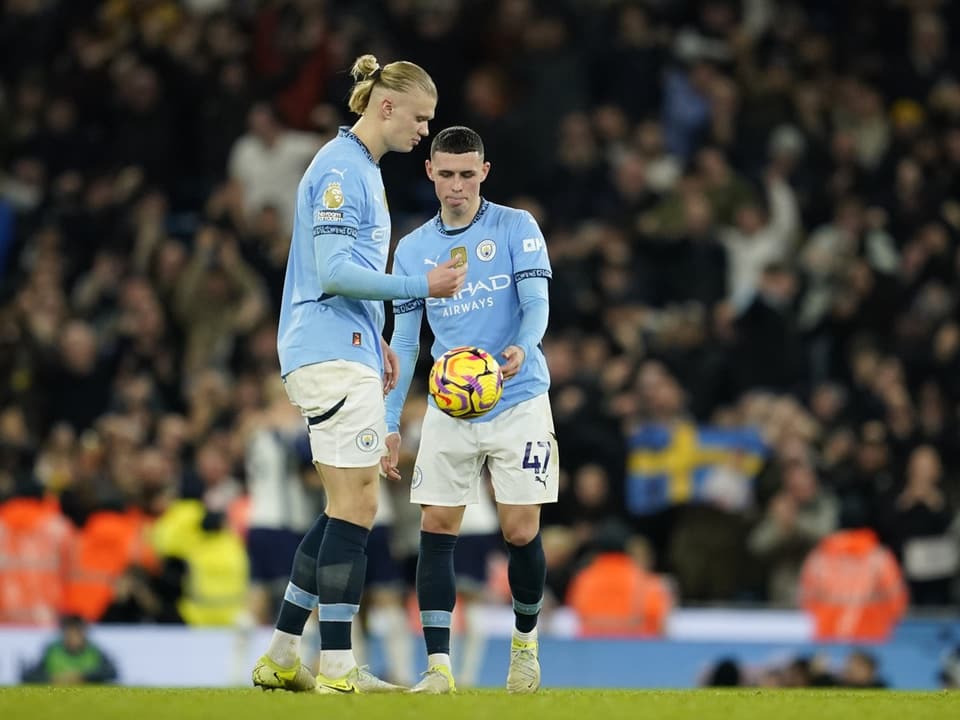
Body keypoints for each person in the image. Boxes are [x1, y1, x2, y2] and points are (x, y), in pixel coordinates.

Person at [251, 54, 466, 694]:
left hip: (343, 345)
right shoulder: (343, 169)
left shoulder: (360, 169)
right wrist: (417, 286)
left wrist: (376, 338)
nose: (425, 131)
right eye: (421, 118)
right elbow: (334, 271)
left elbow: (344, 277)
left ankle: (285, 654)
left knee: (342, 509)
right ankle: (338, 667)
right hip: (325, 346)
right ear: (388, 106)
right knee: (359, 505)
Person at [384, 125, 557, 694]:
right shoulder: (412, 250)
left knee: (520, 528)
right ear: (430, 172)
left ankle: (525, 648)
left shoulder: (516, 227)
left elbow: (536, 303)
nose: (456, 186)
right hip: (450, 405)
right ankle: (438, 668)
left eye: (467, 174)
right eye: (446, 174)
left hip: (519, 397)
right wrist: (389, 423)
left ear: (484, 172)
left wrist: (522, 347)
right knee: (436, 525)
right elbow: (406, 344)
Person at [20, 615, 118, 685]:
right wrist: (53, 679)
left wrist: (82, 677)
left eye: (77, 633)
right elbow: (30, 676)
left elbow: (111, 672)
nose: (73, 637)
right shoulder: (53, 651)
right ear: (64, 633)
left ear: (83, 633)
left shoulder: (93, 651)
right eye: (70, 633)